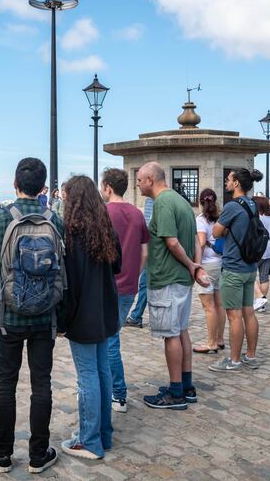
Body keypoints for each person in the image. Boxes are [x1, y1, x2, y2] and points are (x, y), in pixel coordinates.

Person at [0, 158, 63, 474]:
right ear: (43, 187)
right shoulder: (55, 220)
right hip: (46, 315)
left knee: (6, 383)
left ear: (15, 183)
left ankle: (2, 453)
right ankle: (38, 454)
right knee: (41, 383)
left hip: (8, 313)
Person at [136, 162, 208, 410]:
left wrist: (190, 264)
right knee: (181, 330)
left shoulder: (163, 203)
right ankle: (186, 386)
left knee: (171, 335)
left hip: (167, 277)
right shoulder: (182, 202)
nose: (138, 184)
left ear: (149, 179)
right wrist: (196, 266)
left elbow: (172, 242)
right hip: (181, 280)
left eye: (139, 180)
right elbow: (197, 241)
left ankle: (176, 391)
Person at [61, 175, 121, 460]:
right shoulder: (105, 229)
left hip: (84, 314)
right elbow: (117, 266)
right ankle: (103, 434)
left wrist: (63, 321)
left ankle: (90, 441)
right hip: (105, 310)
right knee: (102, 372)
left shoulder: (72, 235)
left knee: (87, 377)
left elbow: (69, 284)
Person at [100, 168, 149, 413]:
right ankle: (107, 387)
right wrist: (134, 274)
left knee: (109, 342)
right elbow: (144, 252)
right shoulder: (137, 214)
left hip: (107, 285)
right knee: (111, 338)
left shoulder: (103, 213)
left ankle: (117, 393)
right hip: (129, 285)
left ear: (108, 187)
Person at [209, 169, 262, 372]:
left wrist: (226, 228)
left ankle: (234, 360)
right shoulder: (252, 204)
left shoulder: (232, 206)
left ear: (237, 183)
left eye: (229, 179)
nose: (226, 181)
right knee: (249, 313)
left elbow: (215, 232)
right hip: (249, 267)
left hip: (233, 267)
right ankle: (251, 355)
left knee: (234, 316)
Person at [192, 188, 226, 354]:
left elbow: (202, 241)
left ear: (200, 202)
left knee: (208, 307)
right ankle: (220, 339)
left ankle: (211, 342)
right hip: (219, 262)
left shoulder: (201, 220)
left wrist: (197, 265)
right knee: (219, 304)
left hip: (207, 265)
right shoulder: (219, 218)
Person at [124, 196, 153, 328]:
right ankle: (137, 315)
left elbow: (148, 226)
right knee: (144, 285)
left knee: (144, 285)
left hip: (152, 251)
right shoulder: (149, 201)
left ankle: (136, 316)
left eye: (141, 180)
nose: (138, 184)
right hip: (151, 249)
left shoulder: (155, 202)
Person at [253, 195, 270, 313]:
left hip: (258, 250)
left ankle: (260, 297)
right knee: (264, 277)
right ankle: (262, 303)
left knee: (250, 274)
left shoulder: (258, 218)